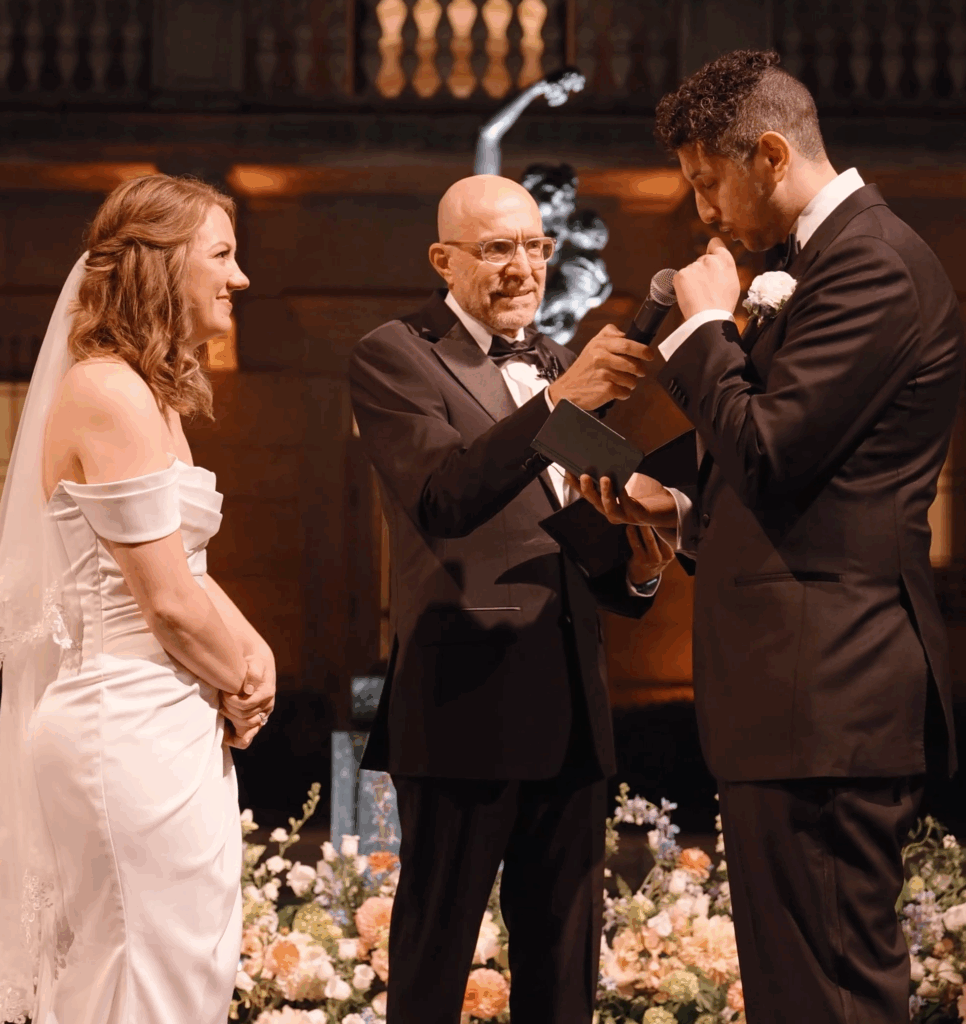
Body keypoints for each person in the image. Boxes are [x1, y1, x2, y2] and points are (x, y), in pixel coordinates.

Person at [574, 50, 965, 1024]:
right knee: (796, 992)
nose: (702, 211)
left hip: (828, 691)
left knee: (833, 991)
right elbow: (797, 482)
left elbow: (772, 450)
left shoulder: (873, 262)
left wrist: (705, 330)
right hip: (794, 698)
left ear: (772, 153)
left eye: (708, 181)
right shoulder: (817, 265)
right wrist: (676, 508)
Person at [348, 173, 672, 1024]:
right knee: (434, 962)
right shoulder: (394, 354)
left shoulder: (557, 363)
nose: (522, 267)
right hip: (461, 708)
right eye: (497, 248)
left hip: (571, 708)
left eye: (535, 246)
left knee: (564, 969)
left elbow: (588, 532)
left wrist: (639, 564)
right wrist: (563, 401)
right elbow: (446, 499)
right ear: (442, 259)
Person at [0, 174, 276, 1024]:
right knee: (144, 973)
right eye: (222, 256)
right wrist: (243, 676)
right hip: (121, 723)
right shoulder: (107, 392)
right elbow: (165, 603)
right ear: (158, 267)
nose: (242, 279)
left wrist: (255, 650)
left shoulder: (151, 394)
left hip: (167, 719)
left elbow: (187, 570)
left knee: (187, 966)